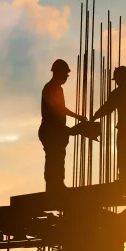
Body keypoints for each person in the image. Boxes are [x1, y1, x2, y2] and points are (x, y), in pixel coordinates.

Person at [39, 59, 86, 192]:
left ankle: (56, 185)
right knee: (55, 158)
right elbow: (59, 108)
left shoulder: (53, 88)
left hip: (54, 130)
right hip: (51, 130)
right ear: (59, 73)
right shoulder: (53, 88)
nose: (66, 77)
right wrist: (78, 117)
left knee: (57, 157)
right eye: (65, 74)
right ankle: (55, 186)